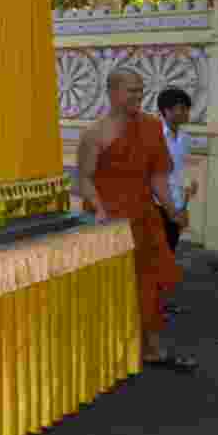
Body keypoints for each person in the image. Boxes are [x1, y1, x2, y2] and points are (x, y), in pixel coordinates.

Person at [77, 69, 197, 372]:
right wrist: (100, 210)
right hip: (109, 219)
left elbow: (158, 175)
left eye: (140, 91)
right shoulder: (94, 134)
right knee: (112, 286)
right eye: (131, 91)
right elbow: (85, 180)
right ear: (113, 92)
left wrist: (172, 210)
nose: (138, 97)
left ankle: (152, 349)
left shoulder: (151, 126)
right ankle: (110, 351)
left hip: (144, 215)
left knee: (150, 282)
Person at [156, 87, 199, 316]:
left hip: (178, 203)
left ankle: (159, 301)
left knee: (169, 253)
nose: (186, 113)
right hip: (158, 205)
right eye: (181, 108)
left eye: (187, 108)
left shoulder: (184, 138)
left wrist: (188, 188)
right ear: (166, 111)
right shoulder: (155, 137)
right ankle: (150, 302)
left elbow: (179, 171)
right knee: (156, 254)